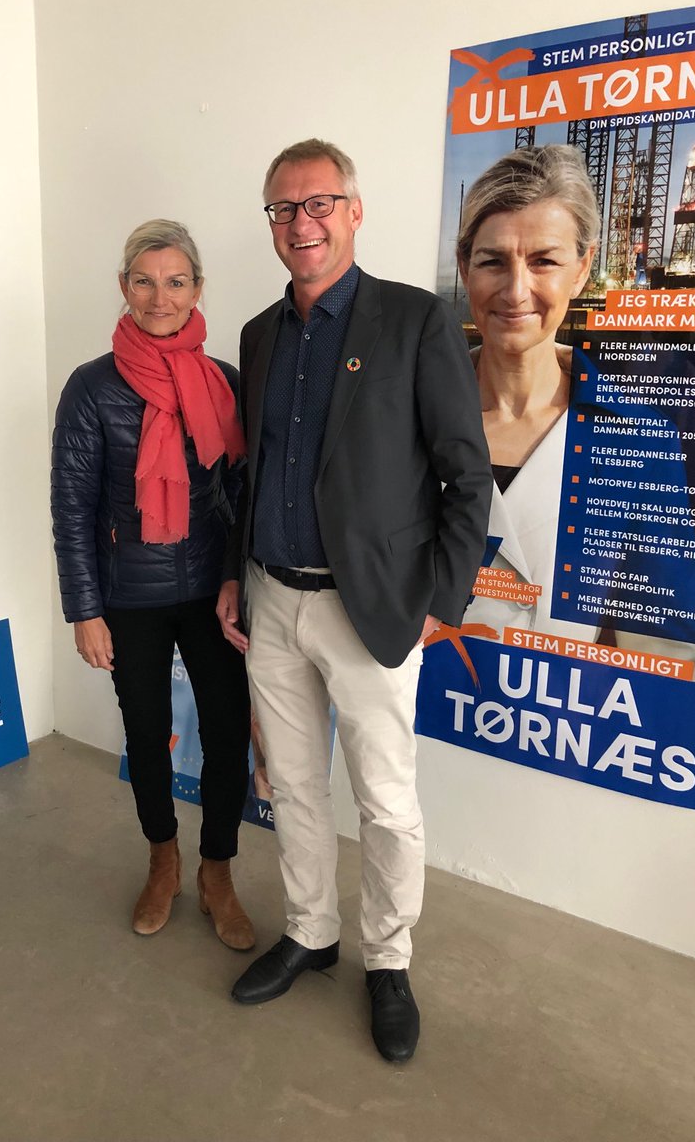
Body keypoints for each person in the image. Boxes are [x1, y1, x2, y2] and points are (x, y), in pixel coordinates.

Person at [217, 140, 491, 1061]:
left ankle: (388, 960)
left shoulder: (416, 321)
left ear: (354, 211)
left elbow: (466, 475)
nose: (302, 223)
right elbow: (253, 473)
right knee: (291, 784)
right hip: (272, 598)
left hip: (370, 608)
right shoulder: (259, 335)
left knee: (385, 799)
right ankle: (310, 930)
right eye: (284, 208)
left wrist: (442, 599)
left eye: (319, 204)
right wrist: (237, 574)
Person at [52, 219, 255, 950]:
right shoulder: (91, 387)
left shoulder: (224, 380)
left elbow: (245, 496)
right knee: (146, 735)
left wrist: (235, 578)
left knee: (228, 734)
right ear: (124, 287)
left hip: (211, 593)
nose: (159, 297)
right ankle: (162, 861)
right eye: (144, 281)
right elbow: (72, 506)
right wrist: (85, 610)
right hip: (128, 596)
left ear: (198, 288)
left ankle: (217, 871)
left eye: (175, 281)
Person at [456, 145, 598, 641]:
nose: (516, 291)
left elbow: (665, 640)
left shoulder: (635, 438)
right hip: (422, 688)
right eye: (493, 261)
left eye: (544, 261)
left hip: (563, 690)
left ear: (582, 269)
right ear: (464, 267)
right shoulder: (401, 415)